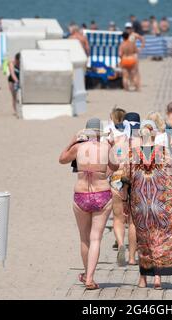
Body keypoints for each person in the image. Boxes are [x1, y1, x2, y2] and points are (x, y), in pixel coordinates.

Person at [122, 120, 172, 290]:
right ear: (154, 135)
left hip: (139, 202)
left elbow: (125, 179)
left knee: (144, 240)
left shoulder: (132, 154)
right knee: (159, 237)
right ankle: (157, 278)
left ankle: (142, 279)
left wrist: (125, 201)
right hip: (160, 201)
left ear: (141, 136)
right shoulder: (162, 152)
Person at [59, 118, 119, 290]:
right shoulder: (106, 147)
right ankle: (90, 278)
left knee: (84, 239)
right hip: (101, 194)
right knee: (96, 238)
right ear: (100, 133)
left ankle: (86, 273)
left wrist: (71, 141)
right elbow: (115, 166)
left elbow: (62, 159)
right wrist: (113, 145)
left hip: (81, 195)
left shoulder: (78, 147)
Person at [107, 109, 139, 266]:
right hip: (133, 178)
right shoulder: (137, 141)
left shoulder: (115, 140)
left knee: (118, 218)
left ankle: (120, 244)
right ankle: (132, 258)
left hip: (117, 177)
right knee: (133, 221)